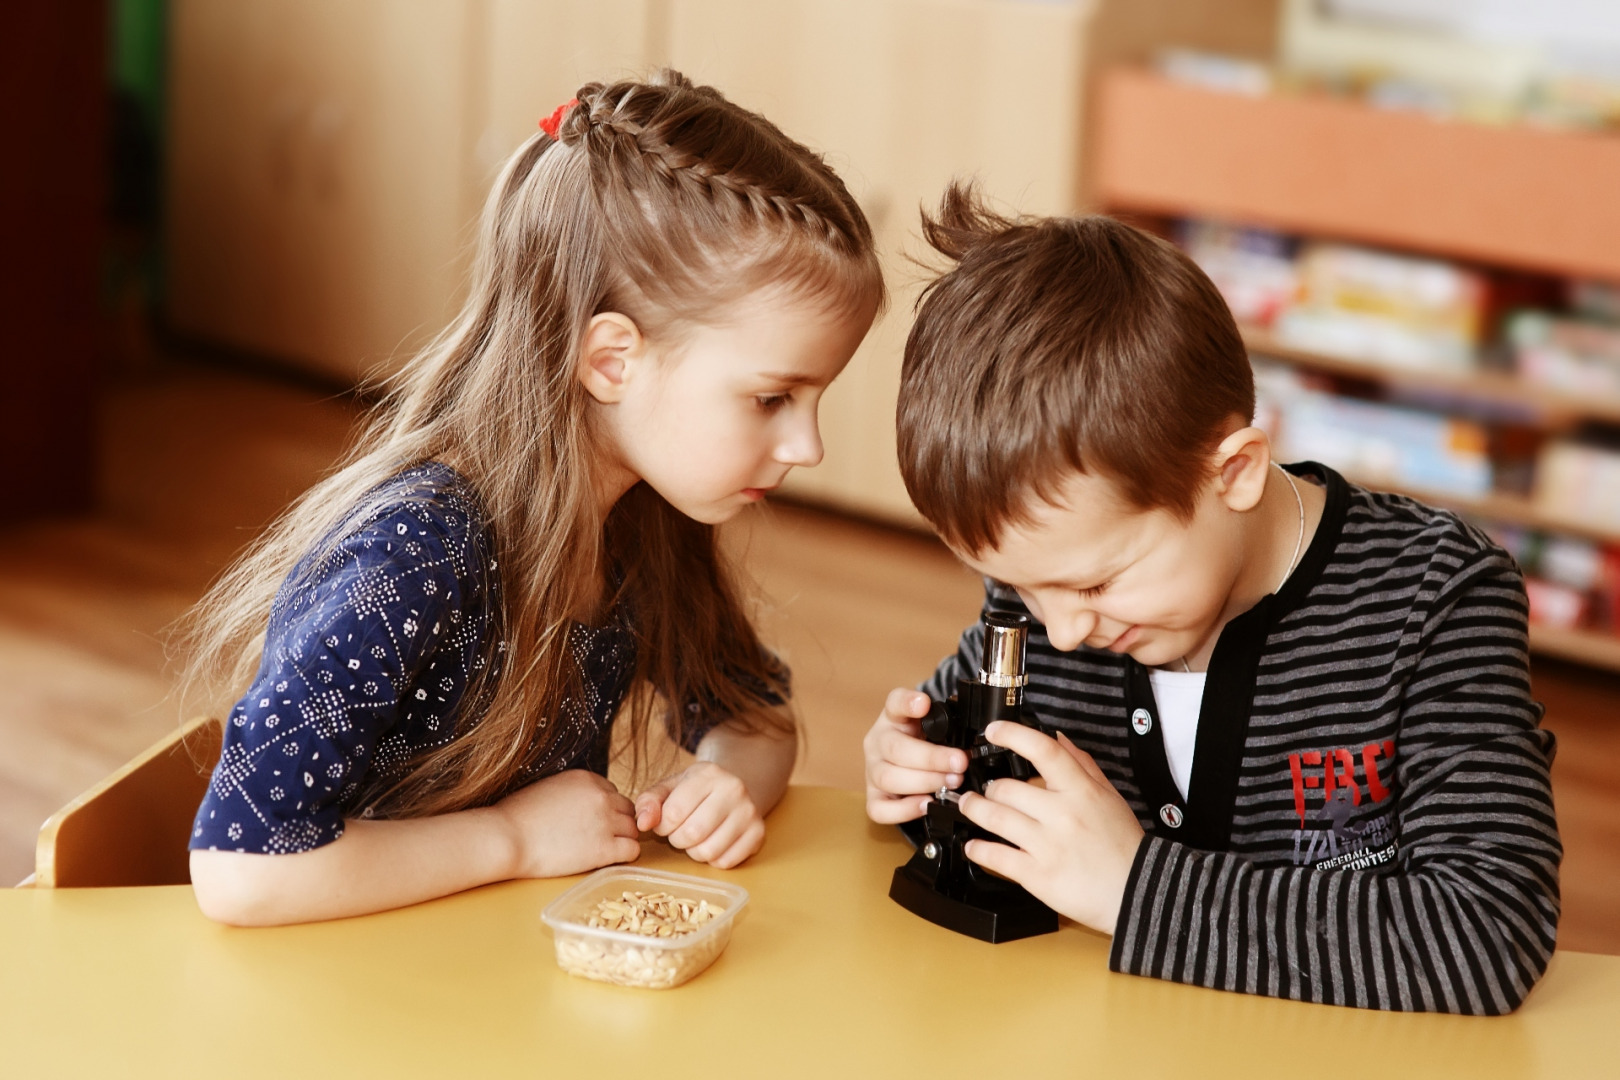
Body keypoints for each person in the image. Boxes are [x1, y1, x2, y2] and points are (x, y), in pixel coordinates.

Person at [183, 70, 883, 926]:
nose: (809, 446)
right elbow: (242, 870)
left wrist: (728, 780)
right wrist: (512, 840)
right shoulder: (414, 554)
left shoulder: (642, 517)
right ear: (611, 361)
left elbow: (756, 714)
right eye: (774, 399)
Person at [863, 184, 1559, 1014]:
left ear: (1233, 472)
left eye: (1094, 582)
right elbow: (976, 795)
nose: (1062, 629)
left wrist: (1134, 890)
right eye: (1017, 585)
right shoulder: (1048, 600)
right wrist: (914, 774)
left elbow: (1486, 935)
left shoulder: (1436, 599)